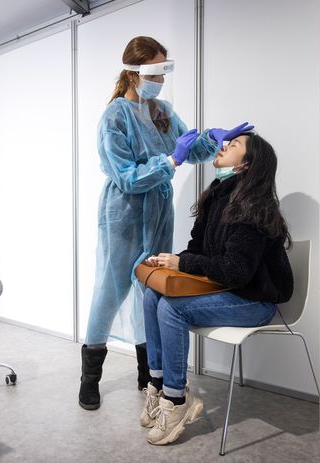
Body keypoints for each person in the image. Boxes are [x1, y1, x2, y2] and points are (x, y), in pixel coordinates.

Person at [78, 36, 227, 411]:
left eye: (164, 73)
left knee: (150, 288)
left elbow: (189, 148)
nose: (160, 81)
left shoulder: (162, 111)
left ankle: (147, 374)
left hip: (159, 211)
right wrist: (170, 162)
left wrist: (214, 139)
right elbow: (127, 177)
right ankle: (89, 380)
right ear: (133, 73)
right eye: (155, 73)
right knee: (109, 292)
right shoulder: (114, 117)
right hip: (124, 213)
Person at [138, 131, 294, 445]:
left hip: (255, 301)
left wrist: (182, 264)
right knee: (153, 294)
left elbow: (236, 271)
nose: (223, 147)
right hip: (227, 289)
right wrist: (171, 261)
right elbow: (198, 250)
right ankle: (158, 384)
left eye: (233, 145)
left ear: (246, 165)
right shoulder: (216, 196)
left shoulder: (256, 206)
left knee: (171, 309)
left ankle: (176, 400)